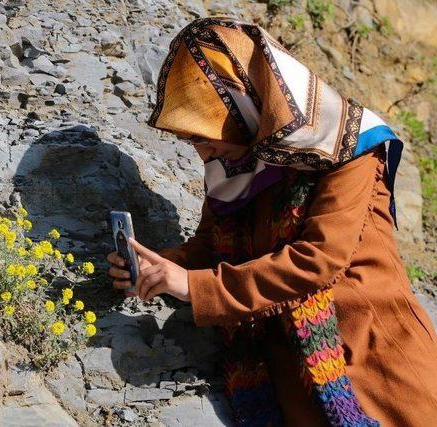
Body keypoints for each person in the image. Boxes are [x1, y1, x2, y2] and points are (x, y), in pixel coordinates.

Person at [107, 18, 437, 427]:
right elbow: (210, 247)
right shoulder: (237, 165)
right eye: (191, 138)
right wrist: (157, 266)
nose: (201, 150)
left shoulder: (347, 149)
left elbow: (316, 261)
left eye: (206, 133)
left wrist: (192, 285)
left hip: (378, 371)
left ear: (244, 103)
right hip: (295, 383)